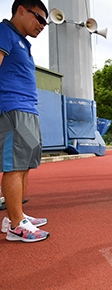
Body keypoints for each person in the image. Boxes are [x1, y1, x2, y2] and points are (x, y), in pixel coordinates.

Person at [0, 0, 49, 242]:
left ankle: (14, 216)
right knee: (14, 166)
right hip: (12, 108)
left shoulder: (23, 42)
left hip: (28, 110)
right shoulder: (4, 32)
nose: (43, 25)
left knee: (25, 164)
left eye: (45, 22)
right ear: (21, 9)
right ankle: (16, 226)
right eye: (39, 18)